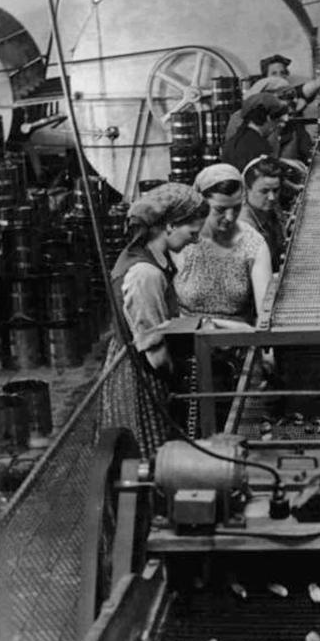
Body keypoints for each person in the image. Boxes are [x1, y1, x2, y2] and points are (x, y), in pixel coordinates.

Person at [98, 182, 208, 456]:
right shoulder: (145, 274)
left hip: (142, 361)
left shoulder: (154, 258)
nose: (195, 239)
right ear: (169, 225)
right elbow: (155, 354)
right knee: (150, 456)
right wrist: (184, 378)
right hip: (139, 376)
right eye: (192, 231)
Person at [172, 163, 272, 324]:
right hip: (187, 339)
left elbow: (265, 317)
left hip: (238, 339)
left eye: (237, 208)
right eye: (220, 209)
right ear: (201, 204)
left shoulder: (253, 244)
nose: (230, 217)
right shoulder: (182, 240)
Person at [221, 93, 290, 173]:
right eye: (276, 120)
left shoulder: (232, 142)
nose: (278, 125)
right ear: (267, 118)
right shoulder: (261, 147)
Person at [239, 155, 286, 272]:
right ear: (246, 189)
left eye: (276, 190)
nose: (272, 197)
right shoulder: (244, 227)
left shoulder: (270, 210)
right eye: (264, 191)